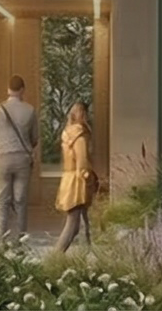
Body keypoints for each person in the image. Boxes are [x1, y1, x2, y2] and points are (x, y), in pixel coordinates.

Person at [0, 73, 39, 239]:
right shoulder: (30, 110)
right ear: (22, 90)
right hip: (22, 158)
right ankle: (22, 236)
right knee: (20, 200)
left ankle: (2, 237)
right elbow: (35, 138)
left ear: (8, 89)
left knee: (3, 200)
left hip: (3, 159)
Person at [53, 102, 96, 253]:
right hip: (78, 182)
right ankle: (57, 255)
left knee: (79, 222)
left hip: (68, 179)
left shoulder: (67, 133)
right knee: (73, 223)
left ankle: (87, 252)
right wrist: (88, 177)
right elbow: (82, 160)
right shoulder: (80, 136)